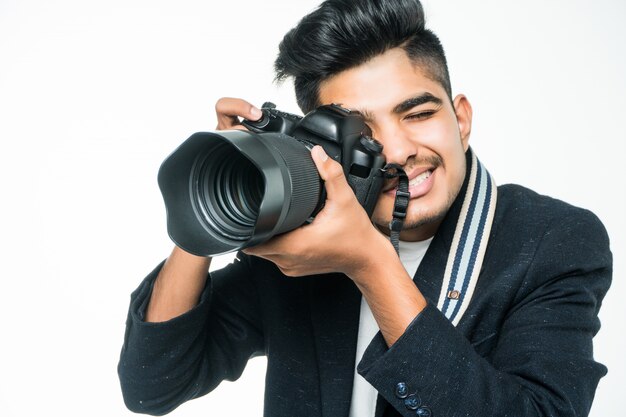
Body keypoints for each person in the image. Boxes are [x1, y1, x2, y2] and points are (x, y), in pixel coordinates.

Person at [118, 0, 612, 416]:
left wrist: (369, 264)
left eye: (417, 114)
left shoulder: (552, 241)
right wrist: (216, 197)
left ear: (461, 119)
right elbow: (154, 383)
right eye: (363, 135)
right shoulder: (302, 234)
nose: (397, 151)